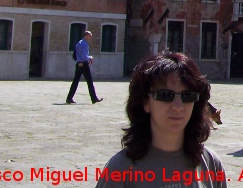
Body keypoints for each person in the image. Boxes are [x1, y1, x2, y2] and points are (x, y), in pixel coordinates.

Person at [95, 51, 226, 188]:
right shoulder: (119, 170)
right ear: (146, 102)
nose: (178, 107)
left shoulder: (211, 164)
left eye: (187, 96)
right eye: (165, 95)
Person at [66, 31, 102, 104]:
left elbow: (75, 54)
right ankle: (94, 98)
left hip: (78, 63)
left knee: (75, 81)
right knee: (89, 81)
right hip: (84, 64)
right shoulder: (85, 44)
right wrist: (90, 58)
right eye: (90, 36)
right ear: (86, 36)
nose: (91, 37)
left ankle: (69, 98)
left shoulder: (79, 43)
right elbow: (84, 56)